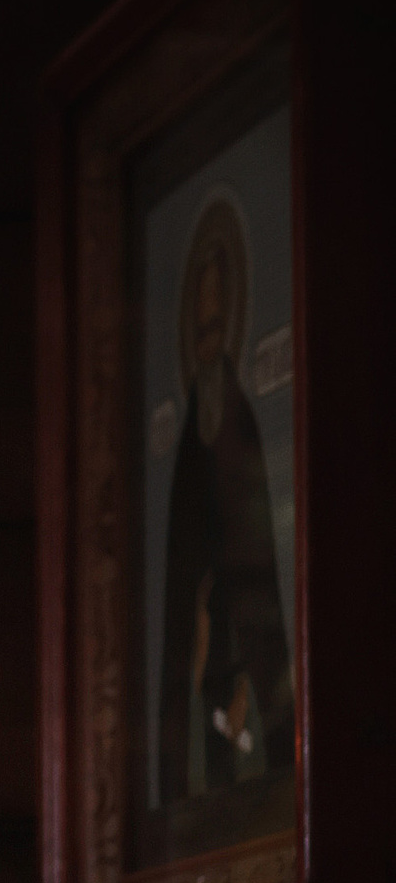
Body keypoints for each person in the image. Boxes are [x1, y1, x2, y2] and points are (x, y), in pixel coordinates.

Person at [154, 194, 292, 820]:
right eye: (200, 336)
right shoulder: (187, 446)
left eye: (215, 334)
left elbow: (259, 548)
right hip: (209, 637)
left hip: (247, 624)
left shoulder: (242, 421)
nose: (208, 350)